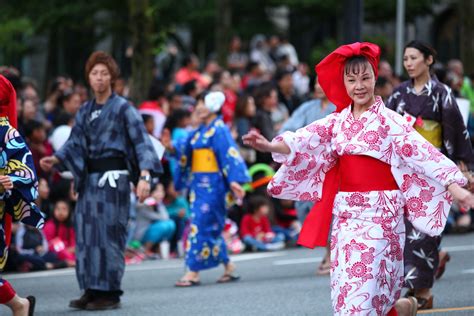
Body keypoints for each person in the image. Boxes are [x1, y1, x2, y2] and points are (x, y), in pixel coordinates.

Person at [243, 42, 474, 316]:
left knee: (364, 294)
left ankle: (397, 306)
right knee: (347, 293)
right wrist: (270, 146)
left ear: (375, 78)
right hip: (347, 216)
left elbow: (422, 153)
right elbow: (304, 140)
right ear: (344, 83)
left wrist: (453, 185)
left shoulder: (390, 121)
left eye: (365, 78)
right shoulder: (336, 121)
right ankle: (402, 308)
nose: (359, 85)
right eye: (351, 80)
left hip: (382, 217)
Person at [39, 51, 162, 311]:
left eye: (104, 73)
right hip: (90, 181)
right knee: (86, 234)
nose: (99, 78)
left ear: (112, 77)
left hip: (114, 180)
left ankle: (110, 292)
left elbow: (141, 142)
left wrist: (145, 176)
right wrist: (57, 160)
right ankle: (92, 289)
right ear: (89, 78)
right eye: (95, 73)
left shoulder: (123, 108)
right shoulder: (85, 110)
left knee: (109, 234)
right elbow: (74, 144)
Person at [387, 40, 474, 310]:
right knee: (402, 231)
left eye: (414, 58)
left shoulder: (442, 93)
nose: (409, 63)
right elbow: (386, 129)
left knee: (424, 231)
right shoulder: (398, 95)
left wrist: (463, 165)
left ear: (428, 60)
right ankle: (418, 286)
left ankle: (422, 293)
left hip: (434, 171)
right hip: (404, 171)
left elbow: (456, 132)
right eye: (405, 59)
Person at [162, 91, 249, 287]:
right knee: (211, 228)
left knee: (199, 225)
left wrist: (234, 181)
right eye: (198, 104)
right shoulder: (199, 131)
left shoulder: (219, 129)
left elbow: (229, 157)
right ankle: (228, 267)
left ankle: (192, 272)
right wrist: (170, 148)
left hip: (214, 187)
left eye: (203, 103)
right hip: (198, 186)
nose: (199, 107)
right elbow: (183, 149)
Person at [0, 74, 44, 315]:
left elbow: (26, 170)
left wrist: (10, 178)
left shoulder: (6, 132)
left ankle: (19, 304)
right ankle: (19, 304)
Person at [43, 200, 76, 266]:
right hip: (53, 252)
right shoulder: (49, 225)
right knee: (56, 246)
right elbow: (49, 244)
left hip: (67, 252)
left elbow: (73, 244)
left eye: (64, 209)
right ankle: (72, 262)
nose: (61, 212)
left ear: (69, 211)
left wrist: (69, 250)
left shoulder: (70, 226)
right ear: (53, 211)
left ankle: (71, 261)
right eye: (58, 209)